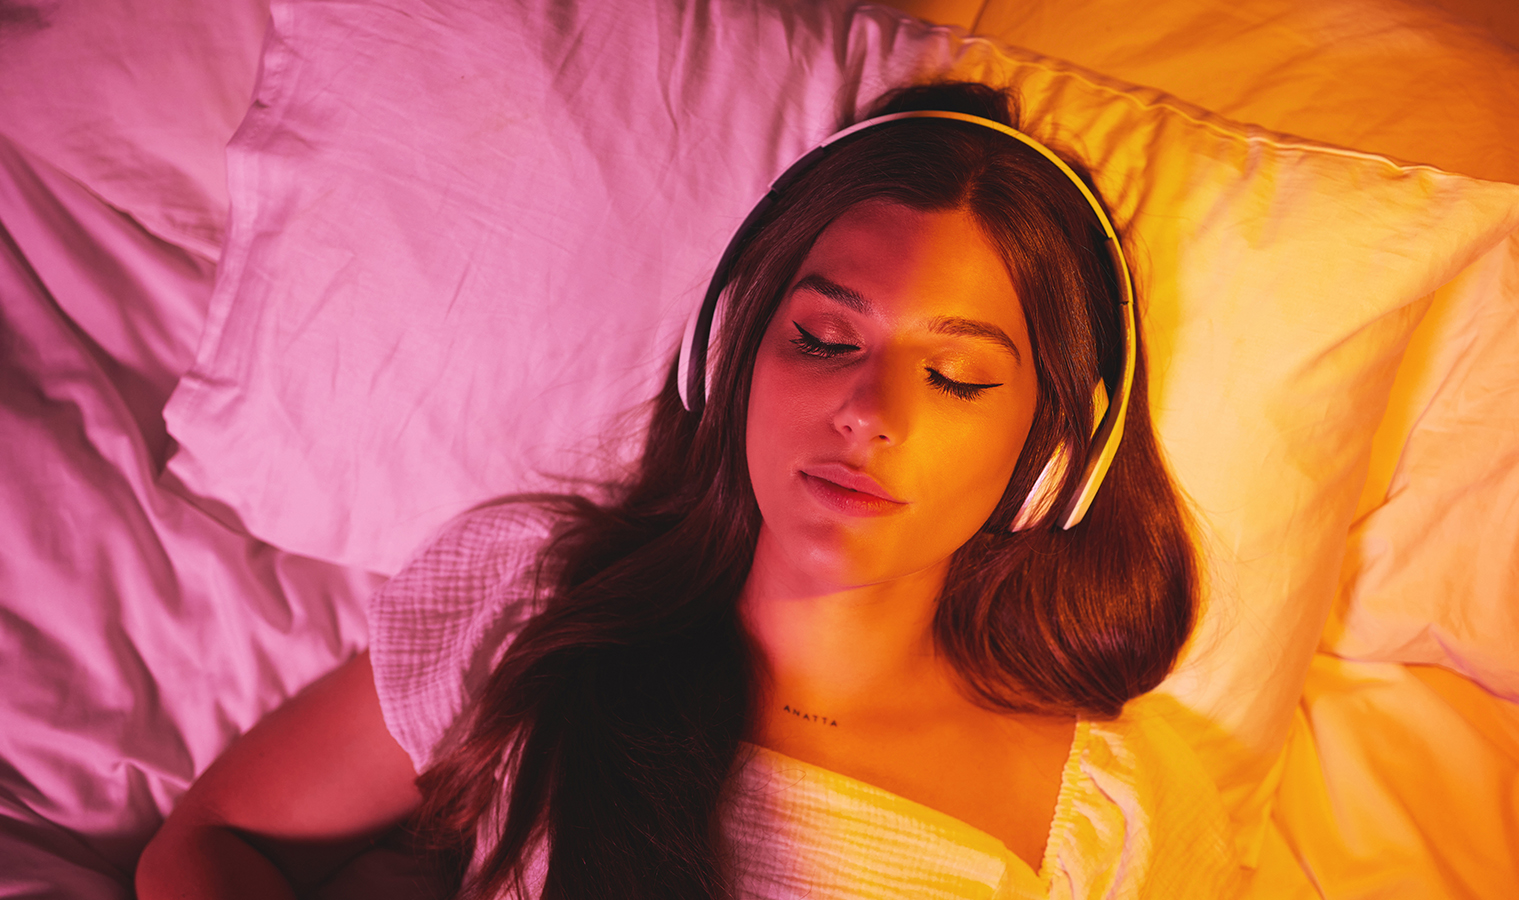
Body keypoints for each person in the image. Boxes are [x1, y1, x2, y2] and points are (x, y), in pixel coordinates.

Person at [137, 81, 1235, 899]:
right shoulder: (542, 604)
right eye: (821, 338)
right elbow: (215, 842)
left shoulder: (1113, 818)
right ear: (727, 359)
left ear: (1053, 461)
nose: (869, 410)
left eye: (954, 376)